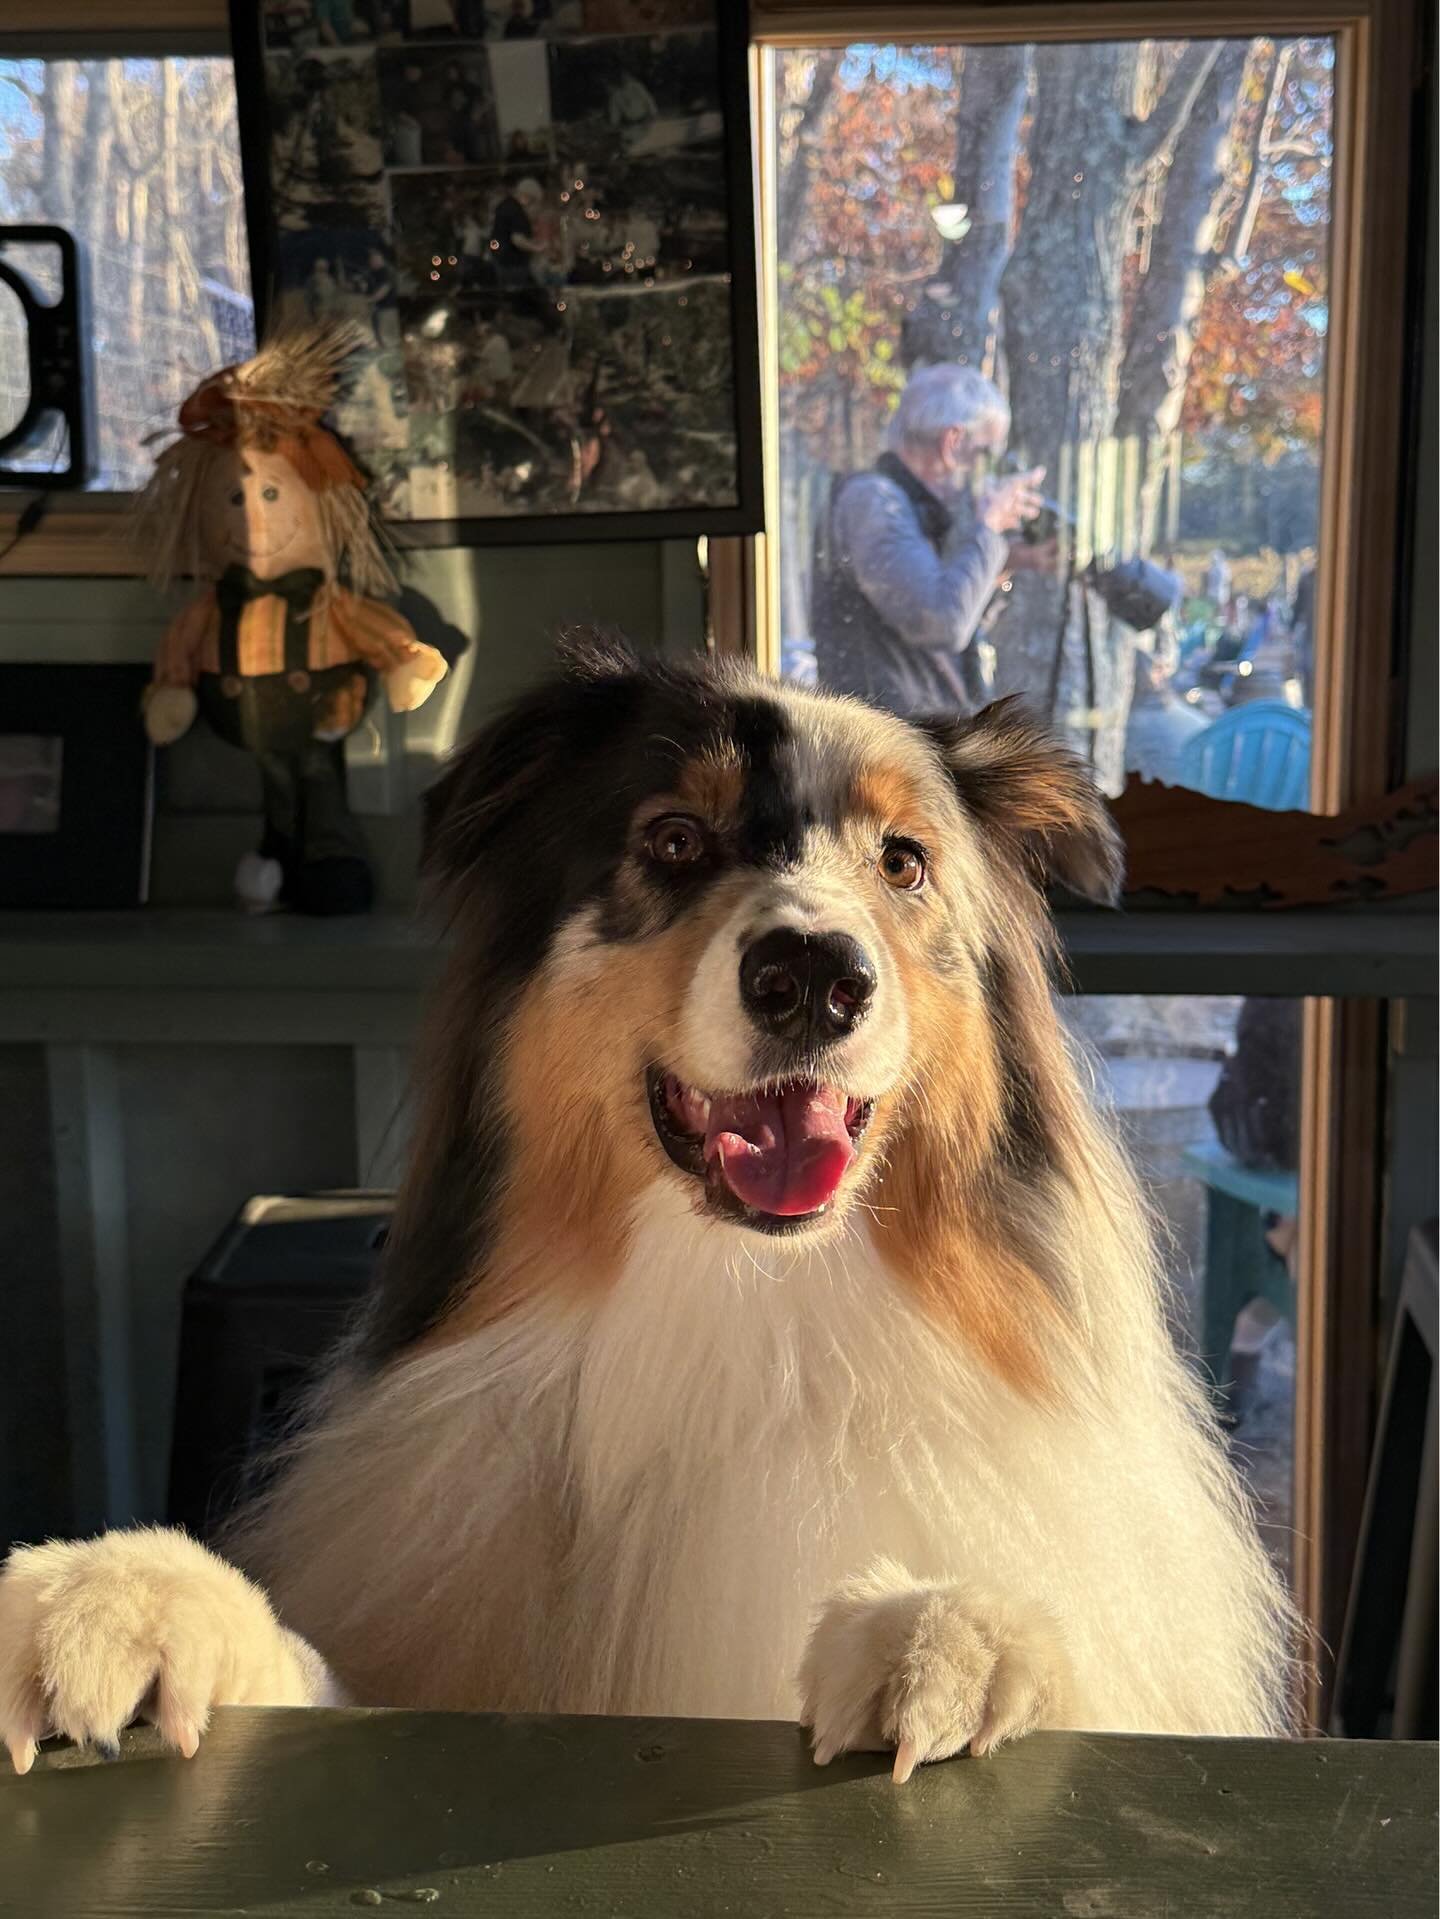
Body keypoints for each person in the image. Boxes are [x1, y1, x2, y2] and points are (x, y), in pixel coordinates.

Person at [810, 363, 1044, 716]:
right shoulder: (874, 501)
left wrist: (1004, 564)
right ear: (953, 443)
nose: (988, 473)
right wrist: (990, 528)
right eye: (987, 454)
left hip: (904, 730)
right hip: (881, 738)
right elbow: (940, 623)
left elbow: (958, 623)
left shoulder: (912, 505)